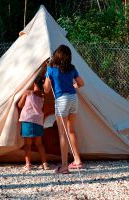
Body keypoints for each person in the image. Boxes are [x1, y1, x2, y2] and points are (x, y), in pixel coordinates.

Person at [43, 44, 85, 174]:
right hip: (73, 98)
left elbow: (46, 89)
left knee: (62, 134)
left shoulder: (51, 70)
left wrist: (47, 74)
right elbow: (81, 83)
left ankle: (64, 166)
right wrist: (73, 85)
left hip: (61, 101)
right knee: (71, 130)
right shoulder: (71, 68)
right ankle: (77, 160)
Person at [18, 76, 50, 171]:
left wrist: (24, 95)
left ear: (34, 84)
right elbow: (43, 109)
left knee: (27, 144)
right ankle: (45, 163)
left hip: (27, 120)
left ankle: (28, 164)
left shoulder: (28, 93)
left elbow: (20, 105)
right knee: (39, 143)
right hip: (38, 121)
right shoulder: (43, 97)